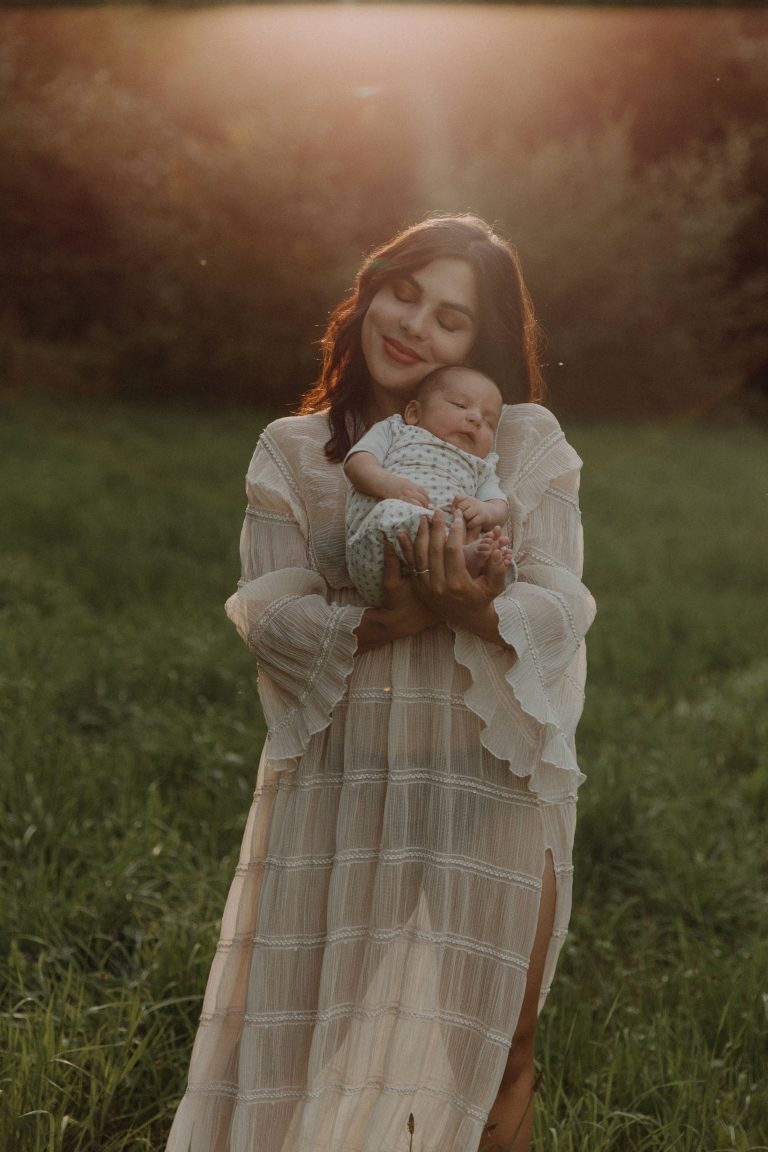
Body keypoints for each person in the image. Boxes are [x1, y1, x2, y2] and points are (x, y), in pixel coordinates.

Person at [165, 214, 596, 1152]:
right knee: (290, 1051)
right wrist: (377, 620)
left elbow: (565, 601)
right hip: (344, 779)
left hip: (488, 778)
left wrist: (473, 609)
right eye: (405, 292)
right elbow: (267, 608)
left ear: (477, 343)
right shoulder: (295, 449)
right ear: (371, 285)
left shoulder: (519, 442)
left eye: (451, 318)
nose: (414, 326)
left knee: (502, 1043)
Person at [344, 365, 513, 606]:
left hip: (450, 572)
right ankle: (458, 558)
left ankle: (464, 558)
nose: (476, 419)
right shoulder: (395, 430)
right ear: (414, 412)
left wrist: (485, 511)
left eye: (488, 422)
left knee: (499, 554)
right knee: (394, 512)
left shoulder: (481, 465)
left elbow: (499, 505)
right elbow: (358, 463)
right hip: (379, 550)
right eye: (460, 405)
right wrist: (390, 485)